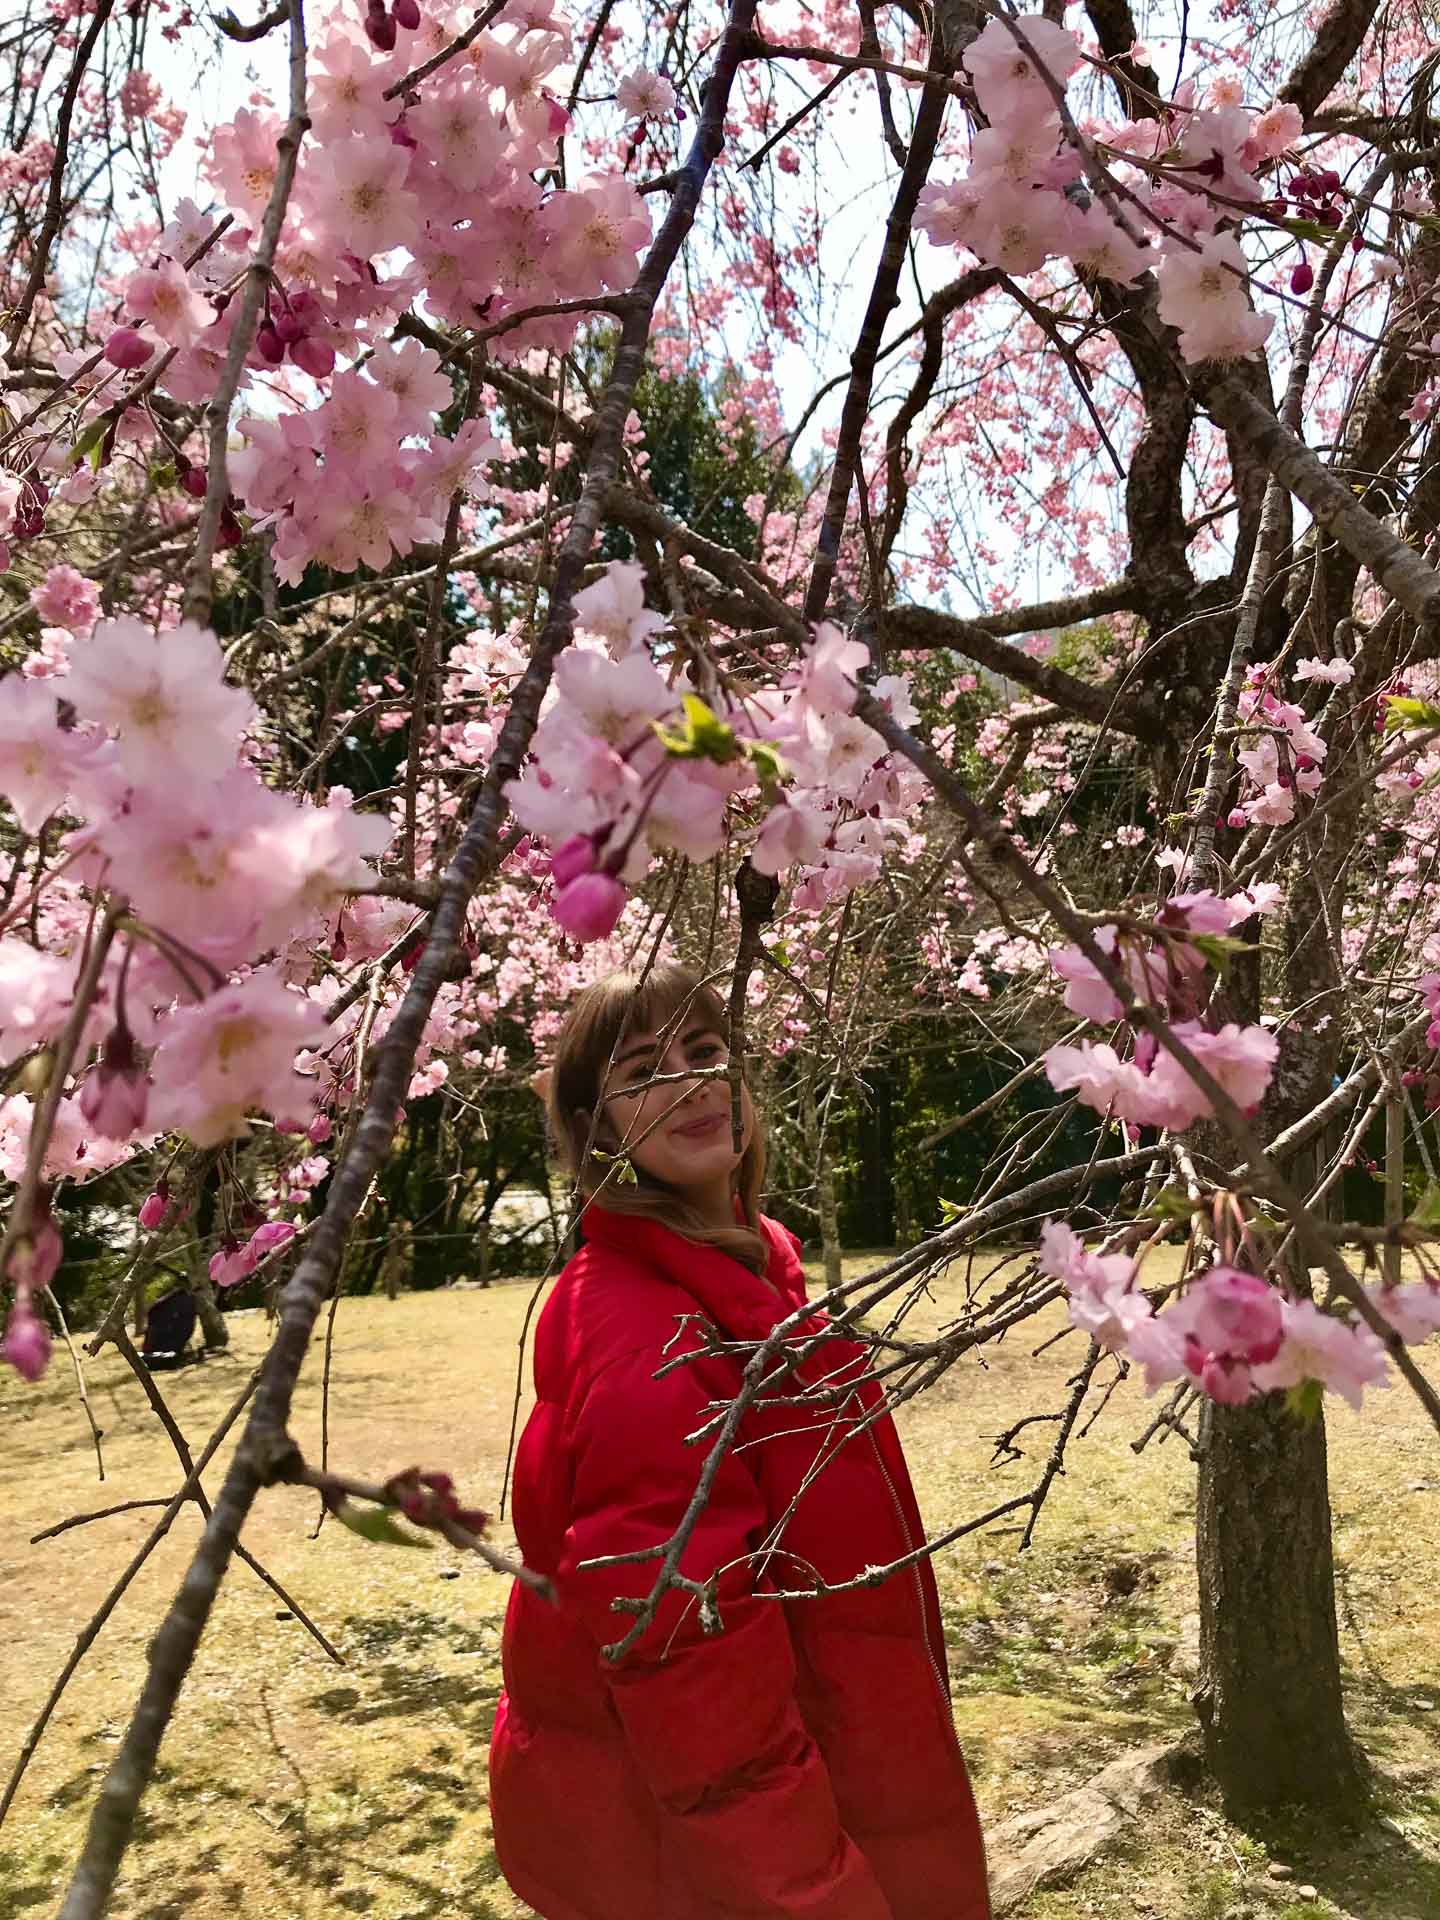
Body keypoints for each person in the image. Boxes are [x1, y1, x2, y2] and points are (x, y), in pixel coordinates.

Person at [489, 963, 991, 1920]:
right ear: (598, 1129)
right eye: (644, 1070)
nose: (691, 1083)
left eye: (706, 1050)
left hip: (827, 1758)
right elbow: (689, 1665)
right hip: (721, 1856)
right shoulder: (646, 1329)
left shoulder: (752, 1269)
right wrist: (818, 1894)